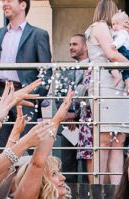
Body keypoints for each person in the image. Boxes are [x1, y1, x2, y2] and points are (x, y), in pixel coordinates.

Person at [0, 0, 52, 147]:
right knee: (1, 145)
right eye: (3, 1)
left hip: (24, 94)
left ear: (23, 5)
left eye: (9, 1)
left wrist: (35, 98)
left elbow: (46, 71)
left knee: (26, 145)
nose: (5, 4)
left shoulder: (38, 34)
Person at [86, 0, 129, 185]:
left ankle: (117, 188)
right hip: (105, 83)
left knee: (118, 139)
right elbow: (111, 54)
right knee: (105, 138)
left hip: (119, 85)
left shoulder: (117, 32)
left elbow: (124, 52)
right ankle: (99, 187)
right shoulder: (99, 27)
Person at [53, 33, 89, 177]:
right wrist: (67, 116)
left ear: (85, 47)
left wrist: (76, 115)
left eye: (75, 44)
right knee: (68, 164)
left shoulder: (94, 68)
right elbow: (58, 95)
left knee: (88, 165)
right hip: (69, 126)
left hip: (88, 123)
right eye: (69, 44)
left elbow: (90, 96)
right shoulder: (66, 70)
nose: (71, 47)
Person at [110, 10, 129, 95]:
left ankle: (117, 77)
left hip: (124, 52)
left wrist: (114, 45)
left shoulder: (122, 32)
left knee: (112, 64)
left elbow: (120, 40)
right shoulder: (128, 34)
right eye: (113, 24)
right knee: (126, 74)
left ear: (124, 24)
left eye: (116, 24)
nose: (114, 26)